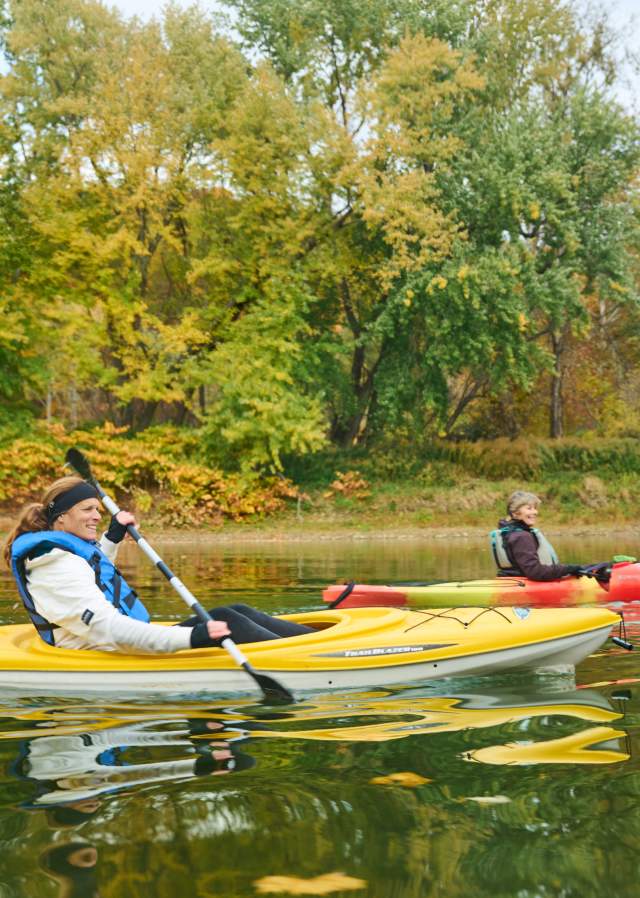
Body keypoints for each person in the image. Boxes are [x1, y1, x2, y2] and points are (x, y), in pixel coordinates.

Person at [3, 475, 313, 653]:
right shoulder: (54, 566)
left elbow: (93, 575)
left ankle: (315, 640)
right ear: (61, 516)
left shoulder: (62, 555)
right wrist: (191, 638)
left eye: (98, 509)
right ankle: (307, 658)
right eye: (87, 509)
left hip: (114, 645)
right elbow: (108, 628)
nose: (97, 516)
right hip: (104, 653)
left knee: (237, 612)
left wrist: (111, 539)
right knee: (229, 622)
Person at [490, 490, 585, 581]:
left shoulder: (507, 532)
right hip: (525, 584)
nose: (535, 512)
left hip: (511, 581)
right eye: (529, 508)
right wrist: (568, 569)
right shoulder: (521, 536)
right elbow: (535, 572)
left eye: (535, 508)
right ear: (515, 513)